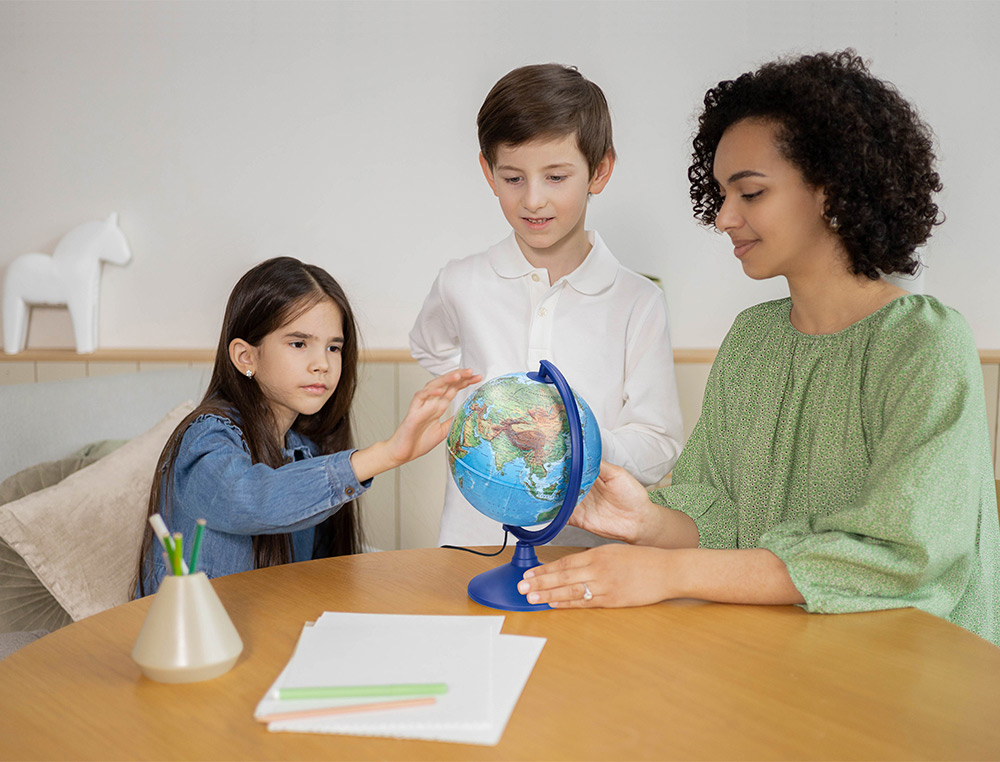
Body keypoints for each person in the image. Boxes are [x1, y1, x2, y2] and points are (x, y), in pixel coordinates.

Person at [516, 51, 1000, 646]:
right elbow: (723, 514)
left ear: (831, 189)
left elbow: (902, 553)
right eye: (721, 194)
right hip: (782, 663)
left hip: (912, 678)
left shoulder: (925, 345)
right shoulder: (754, 340)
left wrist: (668, 572)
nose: (723, 218)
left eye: (749, 193)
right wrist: (648, 520)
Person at [409, 63, 684, 547]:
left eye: (556, 176)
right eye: (513, 178)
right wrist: (475, 405)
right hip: (472, 540)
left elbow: (661, 444)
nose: (533, 199)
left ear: (599, 170)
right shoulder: (460, 282)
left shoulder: (638, 302)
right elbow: (428, 347)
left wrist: (577, 442)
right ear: (488, 173)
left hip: (587, 552)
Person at [135, 257, 478, 595]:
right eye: (299, 344)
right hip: (192, 644)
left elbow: (311, 575)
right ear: (245, 357)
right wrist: (386, 455)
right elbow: (253, 500)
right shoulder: (207, 436)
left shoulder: (304, 449)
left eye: (333, 347)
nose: (322, 364)